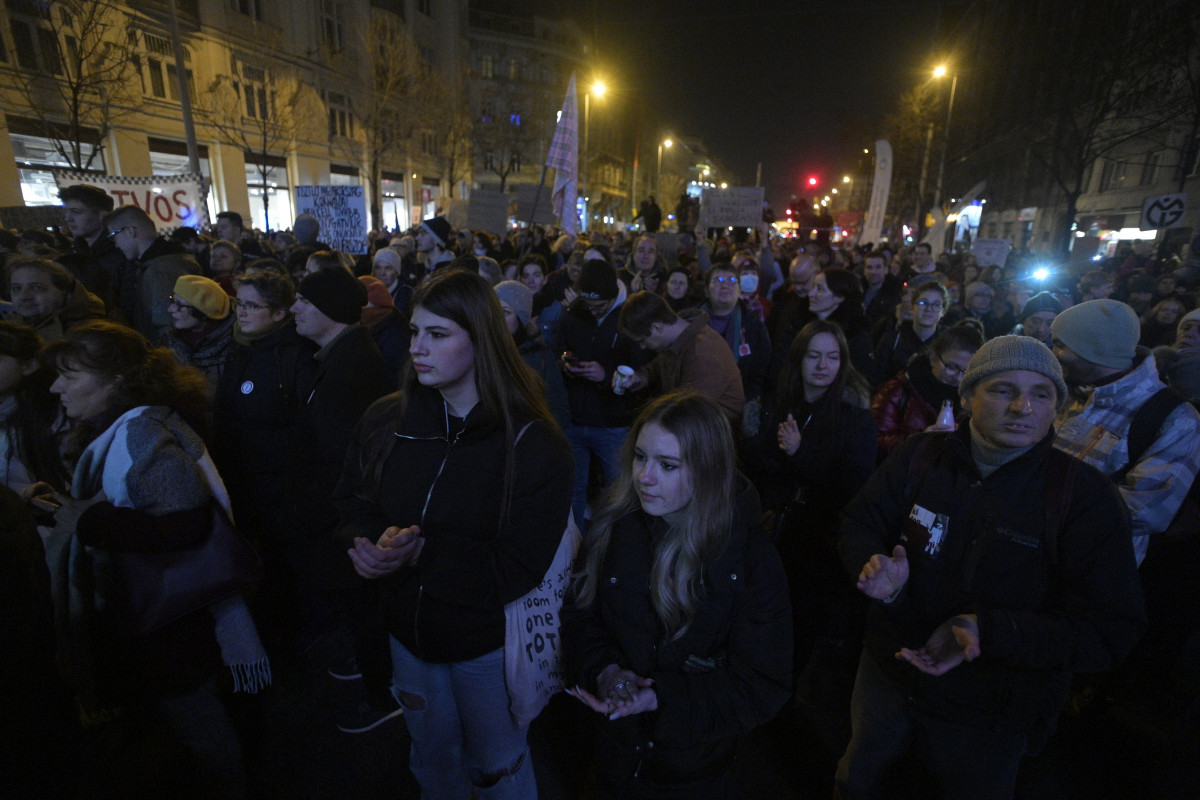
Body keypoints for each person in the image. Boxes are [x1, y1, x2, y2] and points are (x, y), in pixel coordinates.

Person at [837, 335, 1146, 800]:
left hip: (992, 712)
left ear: (1057, 406)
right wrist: (873, 565)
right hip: (890, 674)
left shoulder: (1082, 497)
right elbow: (860, 521)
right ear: (967, 397)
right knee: (861, 780)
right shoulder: (920, 456)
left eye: (1041, 394)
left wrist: (990, 631)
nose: (1023, 407)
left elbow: (1111, 627)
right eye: (1004, 390)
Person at [336, 269, 573, 798]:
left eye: (438, 334)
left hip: (486, 647)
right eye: (414, 332)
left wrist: (419, 554)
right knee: (432, 758)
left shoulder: (534, 443)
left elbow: (517, 567)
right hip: (407, 637)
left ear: (482, 339)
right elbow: (352, 502)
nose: (417, 348)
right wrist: (370, 544)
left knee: (497, 765)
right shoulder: (388, 419)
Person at [39, 320, 269, 796]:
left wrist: (90, 520)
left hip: (172, 617)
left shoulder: (141, 431)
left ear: (115, 380)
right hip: (164, 615)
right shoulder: (125, 424)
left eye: (70, 376)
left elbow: (184, 523)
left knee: (195, 718)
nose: (55, 387)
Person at [561, 391, 792, 799]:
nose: (644, 477)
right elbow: (580, 615)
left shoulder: (749, 559)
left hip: (692, 770)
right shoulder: (613, 526)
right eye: (640, 457)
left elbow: (760, 684)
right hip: (612, 754)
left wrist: (659, 700)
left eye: (667, 465)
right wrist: (605, 671)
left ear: (707, 470)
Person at [746, 320, 876, 749]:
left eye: (832, 356)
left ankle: (779, 711)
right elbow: (763, 466)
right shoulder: (784, 404)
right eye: (814, 356)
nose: (823, 365)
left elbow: (851, 487)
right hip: (774, 533)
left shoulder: (856, 419)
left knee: (798, 630)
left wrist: (802, 454)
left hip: (815, 546)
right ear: (798, 360)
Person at [212, 271, 319, 648]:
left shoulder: (296, 355)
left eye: (251, 305)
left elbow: (305, 428)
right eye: (238, 303)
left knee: (280, 565)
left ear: (278, 313)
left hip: (279, 487)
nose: (241, 312)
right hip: (242, 480)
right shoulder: (241, 346)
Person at [1050, 299, 1200, 565]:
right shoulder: (1065, 391)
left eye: (1061, 344)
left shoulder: (1176, 419)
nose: (1054, 353)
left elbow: (1146, 511)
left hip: (1090, 569)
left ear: (1094, 349)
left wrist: (1038, 503)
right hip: (1031, 556)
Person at [556, 259, 644, 524]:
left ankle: (614, 543)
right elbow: (559, 348)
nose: (593, 311)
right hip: (576, 419)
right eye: (588, 305)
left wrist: (606, 375)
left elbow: (642, 367)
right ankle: (573, 545)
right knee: (572, 491)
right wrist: (567, 365)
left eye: (600, 306)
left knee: (618, 493)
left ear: (613, 296)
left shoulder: (630, 315)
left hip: (612, 423)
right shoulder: (575, 312)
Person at [617, 290, 745, 421]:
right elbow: (662, 362)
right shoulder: (678, 337)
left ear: (657, 327)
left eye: (642, 340)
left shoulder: (702, 354)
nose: (642, 346)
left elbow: (690, 415)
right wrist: (642, 376)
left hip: (711, 428)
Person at [871, 323, 984, 462]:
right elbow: (872, 441)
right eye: (952, 367)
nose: (958, 377)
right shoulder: (898, 390)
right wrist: (920, 440)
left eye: (967, 371)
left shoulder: (975, 399)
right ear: (933, 359)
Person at [105, 204, 198, 340]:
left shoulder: (160, 270)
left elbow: (168, 329)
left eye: (113, 236)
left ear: (130, 231)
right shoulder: (162, 262)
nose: (116, 244)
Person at [496, 280, 570, 431]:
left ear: (521, 318)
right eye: (493, 311)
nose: (497, 319)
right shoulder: (481, 353)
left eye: (505, 312)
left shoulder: (540, 356)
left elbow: (559, 409)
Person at [700, 262, 772, 402]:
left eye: (731, 280)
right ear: (707, 290)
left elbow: (762, 366)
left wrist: (745, 397)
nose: (725, 285)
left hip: (739, 400)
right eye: (717, 280)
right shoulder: (693, 323)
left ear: (739, 290)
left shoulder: (752, 324)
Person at [162, 274, 235, 395]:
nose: (170, 309)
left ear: (202, 312)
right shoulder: (171, 339)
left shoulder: (231, 349)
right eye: (172, 300)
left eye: (179, 305)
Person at [6, 256, 106, 342]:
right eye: (16, 288)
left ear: (65, 291)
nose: (24, 296)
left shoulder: (88, 335)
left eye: (37, 288)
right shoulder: (13, 323)